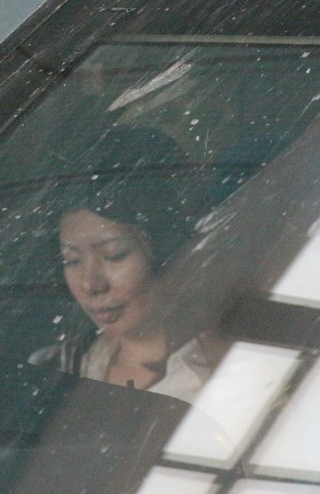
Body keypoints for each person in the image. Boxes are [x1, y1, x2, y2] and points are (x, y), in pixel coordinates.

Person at [36, 125, 224, 402]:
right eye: (71, 260)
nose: (91, 284)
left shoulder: (213, 388)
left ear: (170, 250)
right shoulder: (68, 364)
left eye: (114, 255)